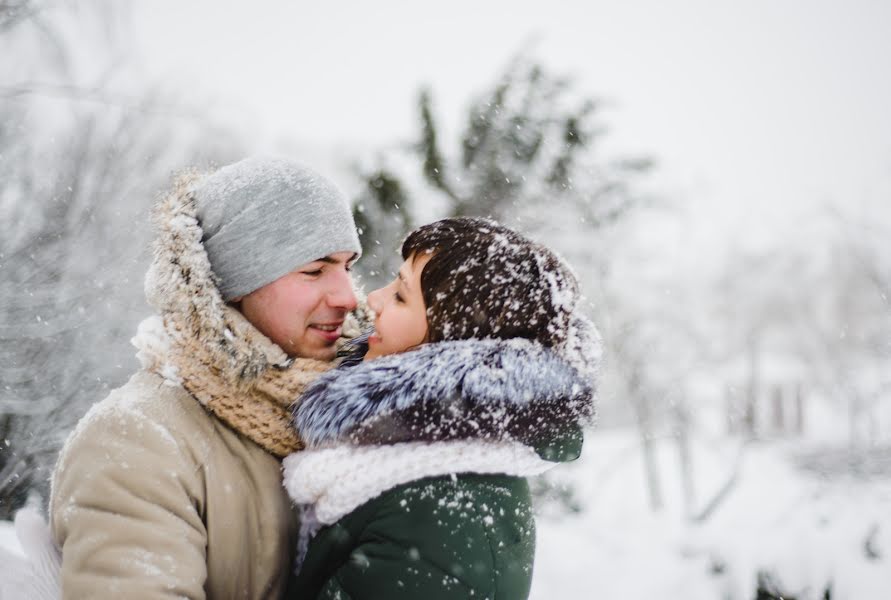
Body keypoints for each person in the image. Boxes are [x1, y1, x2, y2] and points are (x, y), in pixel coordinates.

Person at [47, 157, 367, 599]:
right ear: (235, 281)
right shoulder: (137, 439)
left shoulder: (359, 418)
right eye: (314, 270)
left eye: (348, 266)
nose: (348, 297)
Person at [282, 217, 600, 599]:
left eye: (401, 296)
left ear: (451, 342)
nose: (373, 300)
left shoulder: (443, 515)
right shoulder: (412, 466)